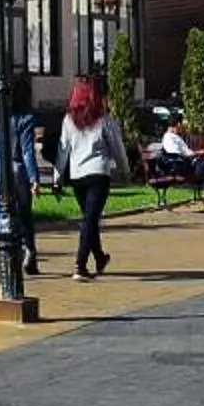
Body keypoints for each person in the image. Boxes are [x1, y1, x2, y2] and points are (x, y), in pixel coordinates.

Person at [58, 77, 128, 278]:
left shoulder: (69, 120)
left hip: (77, 175)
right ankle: (80, 264)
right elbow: (117, 147)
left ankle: (99, 257)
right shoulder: (104, 120)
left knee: (90, 218)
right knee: (90, 219)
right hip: (98, 174)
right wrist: (125, 170)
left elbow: (63, 150)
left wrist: (57, 176)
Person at [0, 84, 43, 280]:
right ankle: (29, 252)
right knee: (24, 213)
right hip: (18, 170)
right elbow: (27, 151)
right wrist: (34, 179)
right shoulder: (25, 119)